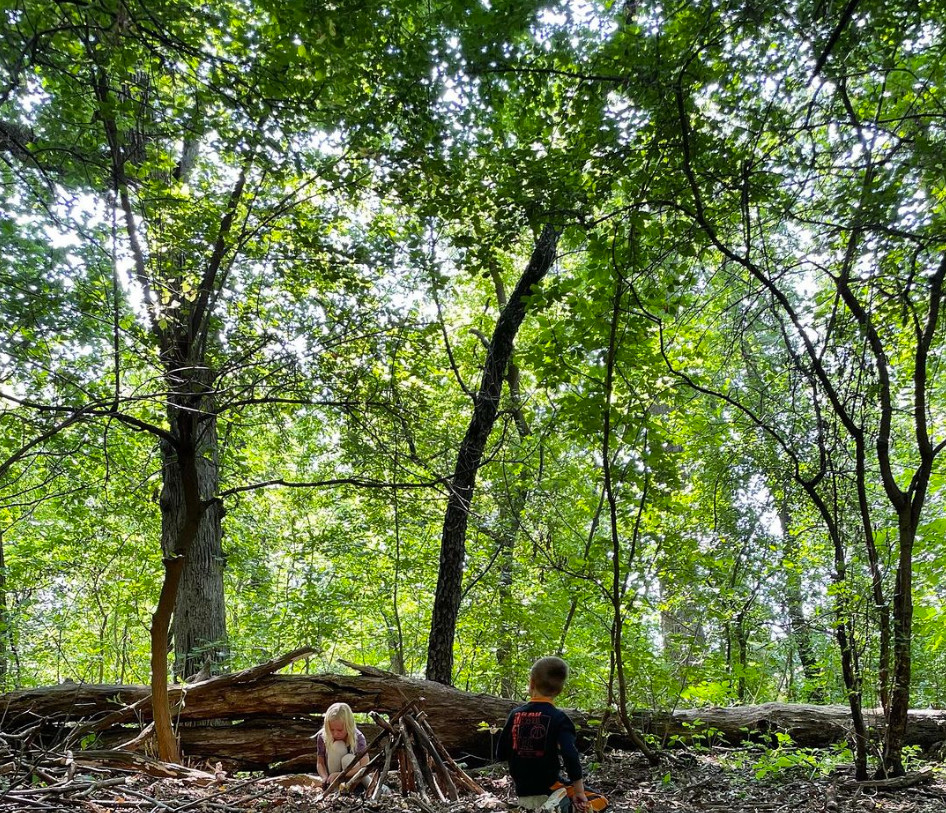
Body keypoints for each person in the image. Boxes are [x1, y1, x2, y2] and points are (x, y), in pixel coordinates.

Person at [497, 656, 604, 812]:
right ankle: (561, 808)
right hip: (549, 787)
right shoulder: (559, 718)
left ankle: (540, 807)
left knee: (563, 790)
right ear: (560, 690)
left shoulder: (515, 715)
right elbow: (570, 755)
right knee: (600, 799)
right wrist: (579, 792)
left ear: (531, 683)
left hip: (522, 789)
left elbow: (500, 754)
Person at [314, 702, 369, 788]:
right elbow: (320, 763)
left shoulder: (358, 737)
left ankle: (370, 786)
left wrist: (341, 775)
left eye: (340, 730)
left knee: (347, 759)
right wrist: (324, 776)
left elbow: (365, 765)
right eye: (332, 730)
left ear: (348, 726)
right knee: (338, 745)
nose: (335, 734)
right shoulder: (323, 736)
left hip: (353, 775)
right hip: (333, 773)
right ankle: (334, 787)